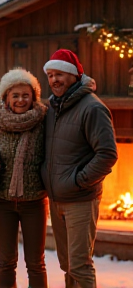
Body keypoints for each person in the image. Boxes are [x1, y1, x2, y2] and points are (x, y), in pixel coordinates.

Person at [41, 49, 118, 288]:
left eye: (60, 74)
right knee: (67, 265)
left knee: (80, 266)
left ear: (74, 75)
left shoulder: (92, 108)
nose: (54, 79)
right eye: (50, 74)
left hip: (80, 199)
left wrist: (78, 181)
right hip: (57, 199)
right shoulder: (53, 108)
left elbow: (107, 154)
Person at [0, 68, 49, 288]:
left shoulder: (44, 119)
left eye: (26, 95)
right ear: (5, 96)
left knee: (36, 263)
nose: (21, 100)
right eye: (15, 95)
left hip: (34, 202)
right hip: (2, 202)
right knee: (6, 262)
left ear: (33, 96)